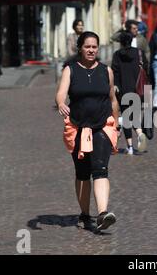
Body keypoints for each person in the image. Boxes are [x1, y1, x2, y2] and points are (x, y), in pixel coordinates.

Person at [56, 31, 119, 232]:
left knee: (100, 169)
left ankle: (102, 213)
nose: (91, 50)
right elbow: (61, 94)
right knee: (82, 173)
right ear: (80, 48)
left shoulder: (106, 71)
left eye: (94, 47)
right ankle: (85, 214)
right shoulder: (70, 70)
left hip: (102, 126)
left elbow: (112, 99)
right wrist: (60, 103)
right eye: (87, 46)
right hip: (78, 127)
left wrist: (116, 125)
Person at [111, 32, 149, 155]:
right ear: (132, 40)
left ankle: (130, 148)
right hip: (137, 91)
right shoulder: (139, 53)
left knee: (127, 118)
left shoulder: (117, 55)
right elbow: (146, 68)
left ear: (121, 42)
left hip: (123, 91)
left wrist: (116, 85)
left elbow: (114, 72)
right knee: (135, 116)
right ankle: (140, 133)